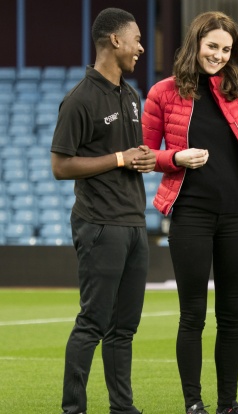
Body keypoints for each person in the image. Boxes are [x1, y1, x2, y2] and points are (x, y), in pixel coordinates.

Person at [142, 11, 238, 414]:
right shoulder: (163, 93)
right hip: (190, 215)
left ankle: (228, 404)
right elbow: (143, 154)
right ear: (196, 44)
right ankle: (194, 404)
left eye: (226, 49)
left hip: (237, 217)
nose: (219, 55)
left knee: (231, 317)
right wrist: (175, 158)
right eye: (212, 47)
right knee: (192, 316)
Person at [50, 8, 154, 414]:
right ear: (115, 40)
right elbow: (60, 166)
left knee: (124, 328)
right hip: (99, 224)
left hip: (134, 222)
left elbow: (127, 155)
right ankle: (73, 408)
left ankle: (122, 408)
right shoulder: (79, 99)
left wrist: (141, 159)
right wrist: (120, 158)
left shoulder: (131, 95)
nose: (141, 48)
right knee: (92, 323)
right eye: (137, 39)